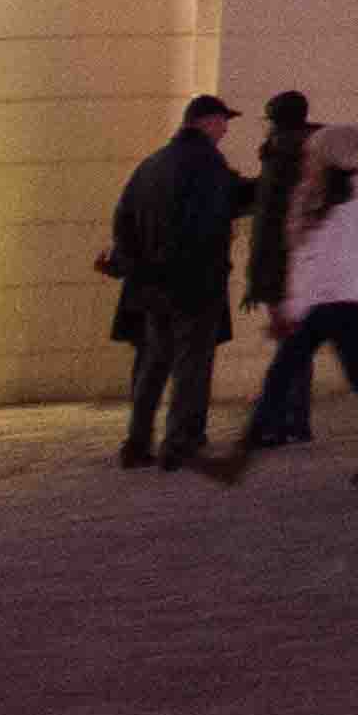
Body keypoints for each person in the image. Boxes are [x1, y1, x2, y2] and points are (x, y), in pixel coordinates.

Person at [201, 117, 358, 484]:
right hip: (332, 300)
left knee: (286, 374)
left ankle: (239, 459)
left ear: (331, 158)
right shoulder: (325, 195)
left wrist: (294, 308)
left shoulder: (345, 197)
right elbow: (307, 258)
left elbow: (319, 260)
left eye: (315, 155)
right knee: (355, 375)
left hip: (332, 300)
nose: (309, 160)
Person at [104, 91, 251, 466]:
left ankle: (137, 443)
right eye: (222, 122)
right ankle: (179, 443)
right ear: (204, 122)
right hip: (195, 283)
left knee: (154, 364)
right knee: (191, 364)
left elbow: (123, 220)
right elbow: (228, 203)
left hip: (153, 286)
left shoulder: (151, 165)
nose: (224, 131)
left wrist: (138, 267)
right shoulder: (206, 164)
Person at [236, 88, 318, 448]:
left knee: (291, 346)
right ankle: (294, 418)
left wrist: (258, 281)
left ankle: (282, 420)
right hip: (308, 266)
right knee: (297, 345)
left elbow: (269, 225)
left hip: (284, 268)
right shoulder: (316, 153)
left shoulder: (280, 157)